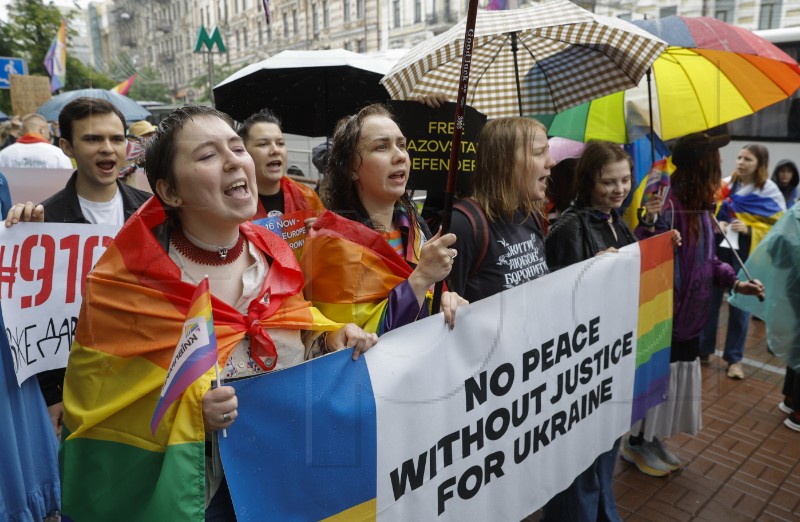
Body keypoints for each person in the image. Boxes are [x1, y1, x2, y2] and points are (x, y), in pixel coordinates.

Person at [58, 105, 377, 520]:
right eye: (208, 156)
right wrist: (193, 413)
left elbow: (296, 326)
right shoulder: (127, 283)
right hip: (202, 495)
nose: (234, 161)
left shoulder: (275, 252)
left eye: (236, 147)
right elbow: (105, 410)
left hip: (290, 472)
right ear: (170, 192)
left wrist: (330, 337)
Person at [4, 97, 151, 439]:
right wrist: (53, 394)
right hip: (78, 390)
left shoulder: (151, 214)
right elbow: (36, 322)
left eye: (117, 138)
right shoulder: (43, 221)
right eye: (92, 139)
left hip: (144, 378)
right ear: (67, 146)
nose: (108, 149)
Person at [627, 129, 765, 476]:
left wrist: (735, 281)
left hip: (691, 316)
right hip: (665, 317)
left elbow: (705, 262)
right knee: (655, 383)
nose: (720, 164)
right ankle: (636, 442)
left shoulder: (701, 206)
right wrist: (649, 225)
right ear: (700, 165)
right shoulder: (665, 201)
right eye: (714, 159)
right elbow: (642, 253)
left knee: (671, 385)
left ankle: (653, 436)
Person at [302, 103, 464, 335]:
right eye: (381, 147)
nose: (399, 156)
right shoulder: (329, 244)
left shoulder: (415, 227)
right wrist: (419, 280)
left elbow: (433, 298)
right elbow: (357, 347)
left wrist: (448, 300)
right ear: (351, 168)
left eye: (401, 145)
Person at [542, 142, 640, 520]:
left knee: (606, 444)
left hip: (612, 352)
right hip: (582, 361)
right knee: (581, 453)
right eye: (608, 182)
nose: (619, 189)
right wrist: (589, 270)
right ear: (588, 181)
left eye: (625, 180)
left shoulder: (618, 220)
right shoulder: (569, 226)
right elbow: (552, 293)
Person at [699, 145, 785, 379]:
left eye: (748, 159)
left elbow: (778, 228)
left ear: (760, 164)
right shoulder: (726, 185)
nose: (740, 162)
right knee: (710, 301)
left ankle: (734, 360)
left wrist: (749, 228)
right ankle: (704, 349)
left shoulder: (769, 191)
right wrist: (719, 224)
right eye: (739, 157)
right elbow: (711, 213)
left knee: (740, 308)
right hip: (720, 250)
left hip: (748, 254)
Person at [448, 117, 551, 303]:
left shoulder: (532, 215)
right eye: (538, 153)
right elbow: (443, 308)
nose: (551, 161)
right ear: (505, 164)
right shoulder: (462, 225)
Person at [237, 108, 324, 218]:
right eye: (263, 144)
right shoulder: (233, 206)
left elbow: (327, 232)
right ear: (243, 153)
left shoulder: (307, 197)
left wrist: (317, 232)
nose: (275, 150)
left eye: (280, 143)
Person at [0, 113, 72, 169]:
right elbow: (67, 182)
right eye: (47, 129)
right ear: (42, 129)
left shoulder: (4, 154)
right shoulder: (58, 154)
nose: (49, 132)